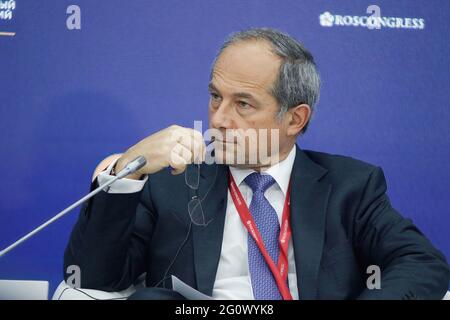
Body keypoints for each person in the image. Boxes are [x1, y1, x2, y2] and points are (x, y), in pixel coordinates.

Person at [64, 28, 449, 300]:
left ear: (295, 119)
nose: (218, 119)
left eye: (243, 104)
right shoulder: (173, 181)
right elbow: (93, 279)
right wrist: (130, 168)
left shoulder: (352, 186)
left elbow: (422, 264)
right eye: (216, 97)